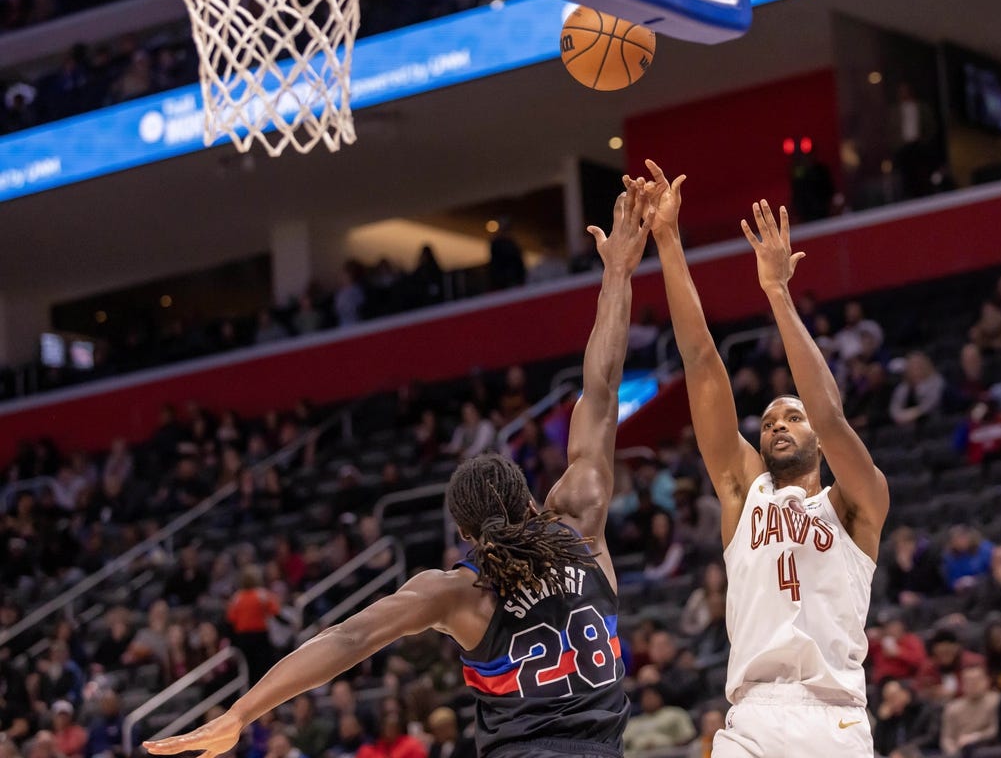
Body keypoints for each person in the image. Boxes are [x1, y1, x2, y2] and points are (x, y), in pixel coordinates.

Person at [143, 183, 654, 758]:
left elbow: (348, 637)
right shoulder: (580, 525)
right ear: (531, 498)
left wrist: (240, 712)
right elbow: (602, 389)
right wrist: (617, 275)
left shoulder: (456, 593)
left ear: (464, 534)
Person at [643, 160, 888, 758]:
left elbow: (830, 417)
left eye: (790, 416)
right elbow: (701, 360)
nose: (778, 424)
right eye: (769, 421)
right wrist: (668, 241)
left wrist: (777, 292)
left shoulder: (857, 503)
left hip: (834, 719)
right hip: (752, 718)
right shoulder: (743, 492)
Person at [939, 665, 1000, 758]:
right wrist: (953, 752)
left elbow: (995, 729)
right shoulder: (953, 707)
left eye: (976, 680)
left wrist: (975, 737)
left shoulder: (996, 701)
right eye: (968, 681)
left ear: (986, 681)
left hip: (986, 749)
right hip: (959, 751)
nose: (972, 684)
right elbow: (947, 738)